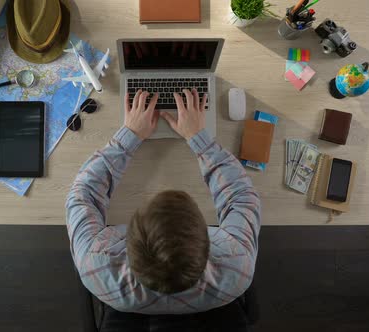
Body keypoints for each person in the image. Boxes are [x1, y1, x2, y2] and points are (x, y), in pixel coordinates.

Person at [66, 88, 261, 314]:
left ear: (127, 237)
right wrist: (199, 137)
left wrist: (129, 135)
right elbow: (242, 196)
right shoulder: (238, 267)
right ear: (208, 238)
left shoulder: (94, 266)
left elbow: (82, 194)